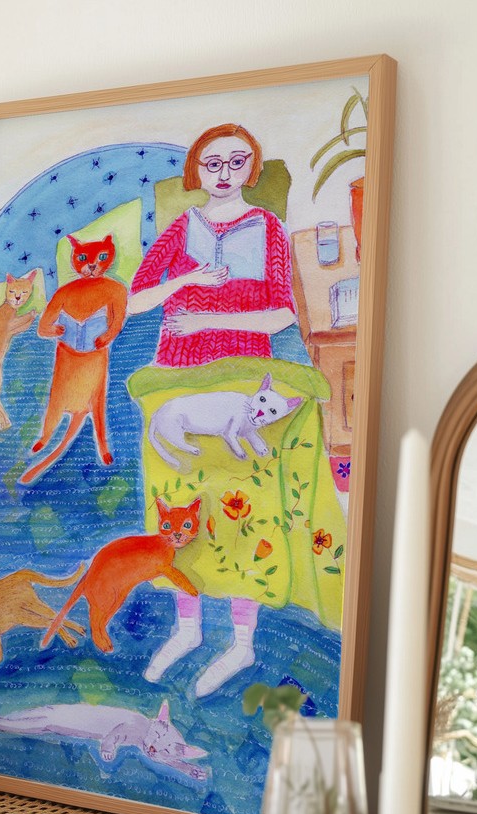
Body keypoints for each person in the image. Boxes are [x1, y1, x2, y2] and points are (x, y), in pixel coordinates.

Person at [127, 123, 311, 697]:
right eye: (213, 163)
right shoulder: (182, 227)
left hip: (242, 376)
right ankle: (188, 628)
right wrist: (183, 280)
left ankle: (241, 641)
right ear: (196, 172)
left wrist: (208, 318)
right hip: (176, 374)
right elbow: (134, 300)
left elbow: (283, 313)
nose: (225, 173)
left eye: (237, 161)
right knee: (180, 497)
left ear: (252, 168)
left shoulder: (269, 228)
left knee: (243, 503)